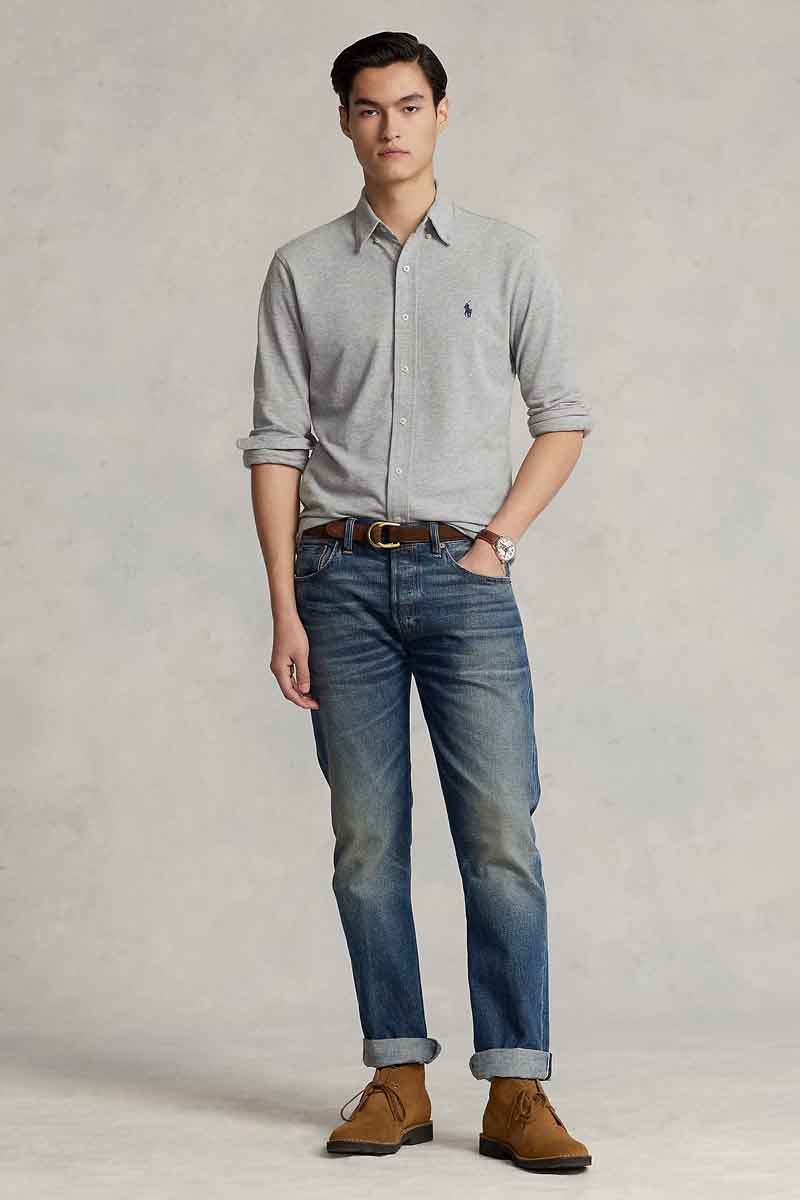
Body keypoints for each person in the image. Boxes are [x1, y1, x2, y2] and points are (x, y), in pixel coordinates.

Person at [236, 30, 594, 1173]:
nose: (387, 126)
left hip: (462, 579)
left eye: (406, 104)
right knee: (364, 844)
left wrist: (496, 544)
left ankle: (516, 1089)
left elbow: (562, 416)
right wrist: (285, 606)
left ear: (441, 113)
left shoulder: (505, 258)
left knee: (499, 838)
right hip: (337, 582)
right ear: (344, 122)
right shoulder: (301, 268)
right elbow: (276, 441)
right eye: (366, 107)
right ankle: (395, 1078)